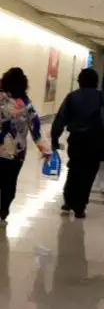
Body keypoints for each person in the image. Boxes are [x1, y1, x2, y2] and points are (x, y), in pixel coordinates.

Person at [52, 67, 104, 219]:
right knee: (88, 174)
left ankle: (68, 201)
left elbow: (60, 119)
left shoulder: (72, 97)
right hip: (96, 140)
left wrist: (55, 138)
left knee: (74, 168)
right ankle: (80, 207)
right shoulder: (102, 97)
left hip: (76, 139)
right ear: (96, 82)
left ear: (80, 81)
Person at [0, 67, 51, 224]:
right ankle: (3, 212)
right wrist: (45, 150)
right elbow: (36, 129)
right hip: (17, 154)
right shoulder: (26, 105)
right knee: (9, 183)